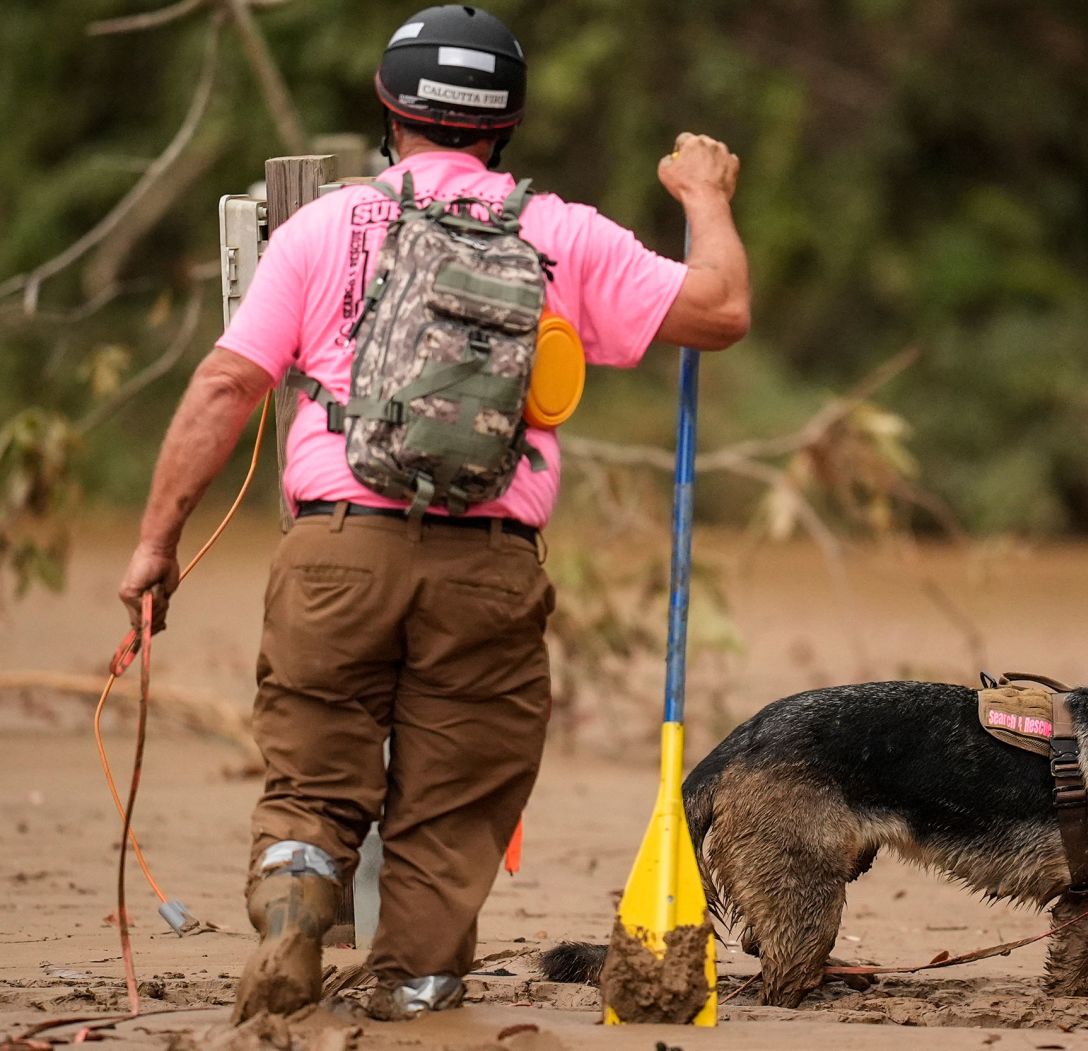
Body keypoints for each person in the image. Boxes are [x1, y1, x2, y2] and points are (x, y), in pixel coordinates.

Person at [115, 3, 748, 1022]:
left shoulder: (327, 225)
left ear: (387, 106)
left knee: (315, 763)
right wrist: (705, 195)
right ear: (506, 124)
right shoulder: (559, 233)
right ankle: (411, 984)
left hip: (334, 552)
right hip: (489, 566)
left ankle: (292, 913)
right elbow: (719, 311)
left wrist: (156, 543)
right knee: (453, 802)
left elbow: (225, 387)